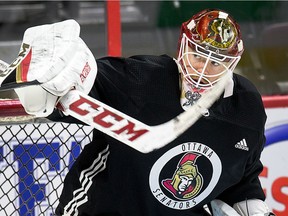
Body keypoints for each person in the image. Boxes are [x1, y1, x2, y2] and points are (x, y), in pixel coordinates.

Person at [5, 8, 275, 216]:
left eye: (216, 62)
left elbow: (242, 177)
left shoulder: (247, 108)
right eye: (197, 56)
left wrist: (250, 206)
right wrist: (51, 84)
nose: (203, 71)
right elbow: (77, 96)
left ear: (233, 64)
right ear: (182, 49)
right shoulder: (141, 79)